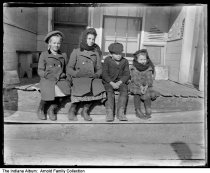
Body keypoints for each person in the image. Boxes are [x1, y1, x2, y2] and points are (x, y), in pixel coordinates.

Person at [67, 27, 106, 121]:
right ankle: (72, 110)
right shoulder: (76, 52)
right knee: (80, 89)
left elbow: (99, 69)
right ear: (84, 38)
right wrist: (77, 74)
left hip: (91, 77)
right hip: (79, 77)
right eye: (89, 38)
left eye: (93, 39)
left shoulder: (96, 53)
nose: (91, 41)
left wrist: (96, 75)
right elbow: (69, 68)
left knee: (98, 87)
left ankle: (85, 111)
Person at [37, 30, 71, 121]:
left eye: (58, 43)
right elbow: (40, 70)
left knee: (67, 91)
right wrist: (47, 75)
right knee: (48, 92)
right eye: (54, 43)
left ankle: (52, 108)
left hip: (60, 79)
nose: (56, 45)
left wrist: (68, 78)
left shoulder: (63, 55)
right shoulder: (44, 55)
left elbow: (66, 70)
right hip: (47, 78)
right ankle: (41, 108)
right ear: (50, 43)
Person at [102, 42, 130, 122]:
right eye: (116, 54)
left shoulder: (125, 61)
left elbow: (127, 74)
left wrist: (120, 82)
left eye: (120, 53)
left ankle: (121, 112)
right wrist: (111, 83)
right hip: (109, 82)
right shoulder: (107, 60)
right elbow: (104, 73)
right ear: (111, 54)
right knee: (109, 92)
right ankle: (109, 112)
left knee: (124, 90)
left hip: (120, 82)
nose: (119, 55)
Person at [129, 49, 160, 119]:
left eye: (144, 59)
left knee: (148, 93)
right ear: (137, 60)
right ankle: (137, 110)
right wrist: (140, 86)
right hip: (136, 84)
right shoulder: (133, 68)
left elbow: (149, 78)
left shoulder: (148, 68)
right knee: (137, 94)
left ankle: (148, 108)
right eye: (141, 59)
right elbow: (134, 78)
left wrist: (146, 86)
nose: (143, 61)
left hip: (146, 84)